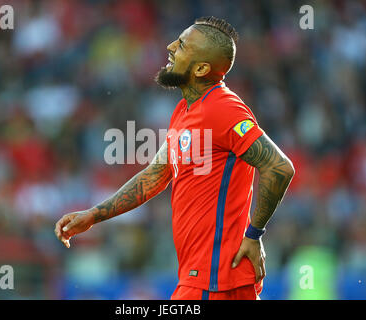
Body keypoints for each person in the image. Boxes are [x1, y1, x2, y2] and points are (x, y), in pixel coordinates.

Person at [55, 16, 295, 300]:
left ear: (202, 68)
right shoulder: (185, 110)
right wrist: (94, 215)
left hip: (217, 279)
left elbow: (279, 167)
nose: (170, 47)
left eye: (181, 46)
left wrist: (254, 234)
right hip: (202, 278)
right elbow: (155, 175)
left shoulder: (224, 109)